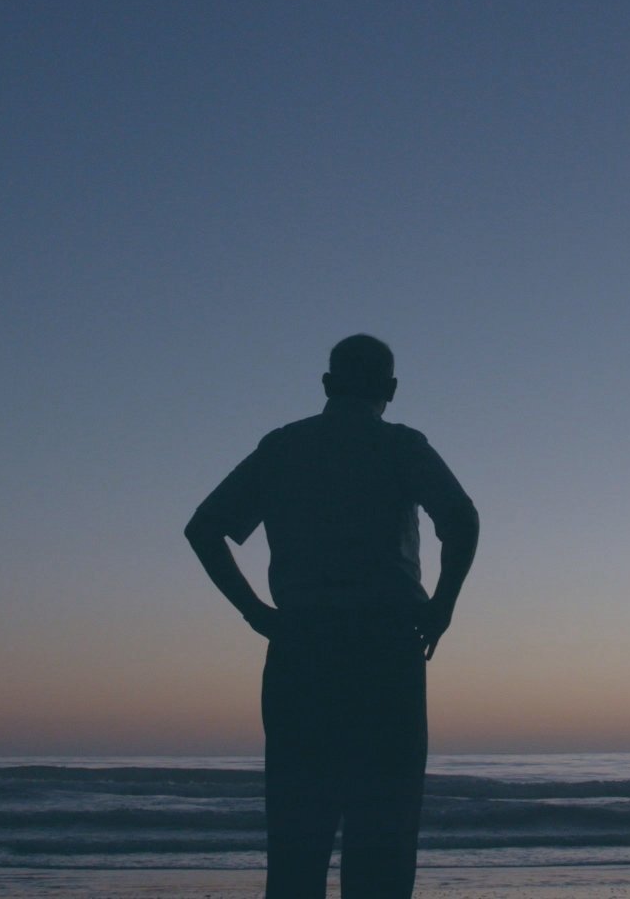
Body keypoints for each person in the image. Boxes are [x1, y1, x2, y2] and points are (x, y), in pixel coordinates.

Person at [185, 334, 479, 899]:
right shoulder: (401, 446)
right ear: (390, 389)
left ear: (326, 385)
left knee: (298, 839)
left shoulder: (283, 448)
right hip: (385, 647)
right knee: (385, 837)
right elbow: (461, 521)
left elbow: (204, 528)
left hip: (303, 647)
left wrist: (257, 615)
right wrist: (441, 607)